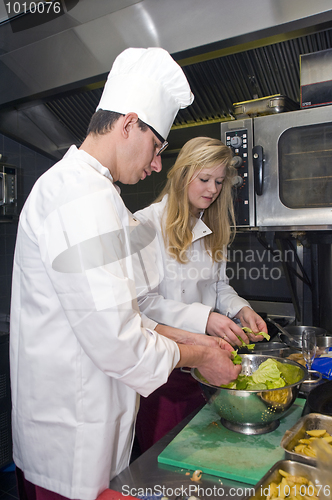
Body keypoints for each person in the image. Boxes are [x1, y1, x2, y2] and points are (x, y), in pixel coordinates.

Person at [9, 49, 242, 500]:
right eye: (157, 147)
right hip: (70, 445)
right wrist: (199, 355)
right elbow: (119, 339)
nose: (157, 165)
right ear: (129, 124)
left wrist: (199, 340)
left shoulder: (97, 194)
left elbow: (125, 313)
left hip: (92, 431)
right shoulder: (79, 197)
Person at [134, 136, 268, 451]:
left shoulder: (210, 225)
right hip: (165, 370)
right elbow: (143, 303)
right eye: (205, 179)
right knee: (166, 459)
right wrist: (205, 318)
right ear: (182, 176)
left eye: (219, 182)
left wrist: (240, 309)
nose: (212, 189)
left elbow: (217, 285)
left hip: (208, 368)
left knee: (205, 452)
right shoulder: (146, 224)